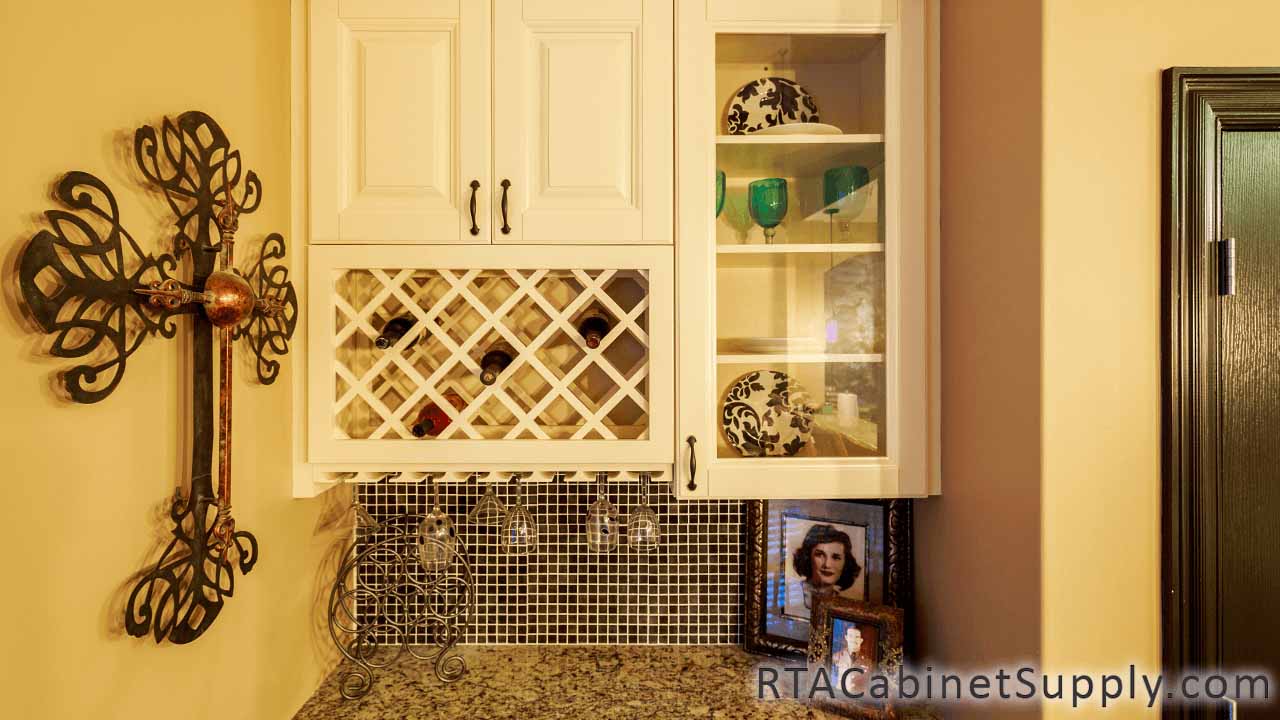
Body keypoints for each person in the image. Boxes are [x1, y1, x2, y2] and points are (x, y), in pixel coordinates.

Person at [792, 523, 861, 612]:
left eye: (836, 557)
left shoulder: (847, 606)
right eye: (820, 555)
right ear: (807, 557)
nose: (827, 564)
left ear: (846, 563)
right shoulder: (791, 595)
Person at [832, 624, 872, 689]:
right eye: (851, 636)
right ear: (846, 637)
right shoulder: (836, 657)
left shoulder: (868, 662)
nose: (853, 639)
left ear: (861, 640)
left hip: (859, 697)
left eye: (857, 637)